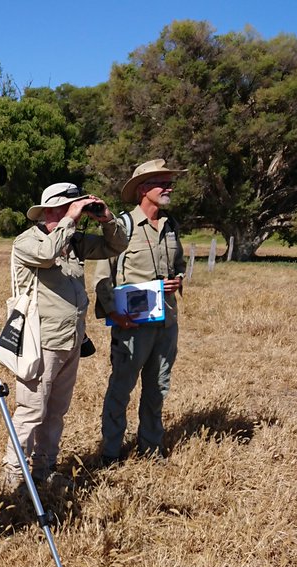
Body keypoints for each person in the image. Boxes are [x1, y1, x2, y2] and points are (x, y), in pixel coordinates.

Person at [0, 183, 128, 490]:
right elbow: (46, 255)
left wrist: (107, 219)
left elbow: (116, 246)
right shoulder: (27, 241)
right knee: (31, 410)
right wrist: (70, 219)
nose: (78, 212)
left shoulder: (74, 241)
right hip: (40, 340)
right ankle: (12, 475)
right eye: (72, 206)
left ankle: (44, 467)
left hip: (71, 338)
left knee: (56, 411)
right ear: (51, 210)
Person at [94, 159, 188, 464]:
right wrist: (114, 312)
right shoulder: (122, 227)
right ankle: (110, 452)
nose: (169, 188)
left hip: (167, 322)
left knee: (158, 386)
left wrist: (178, 281)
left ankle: (151, 448)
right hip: (132, 324)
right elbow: (101, 277)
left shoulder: (171, 226)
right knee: (121, 388)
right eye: (162, 182)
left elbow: (180, 265)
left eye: (169, 182)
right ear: (143, 189)